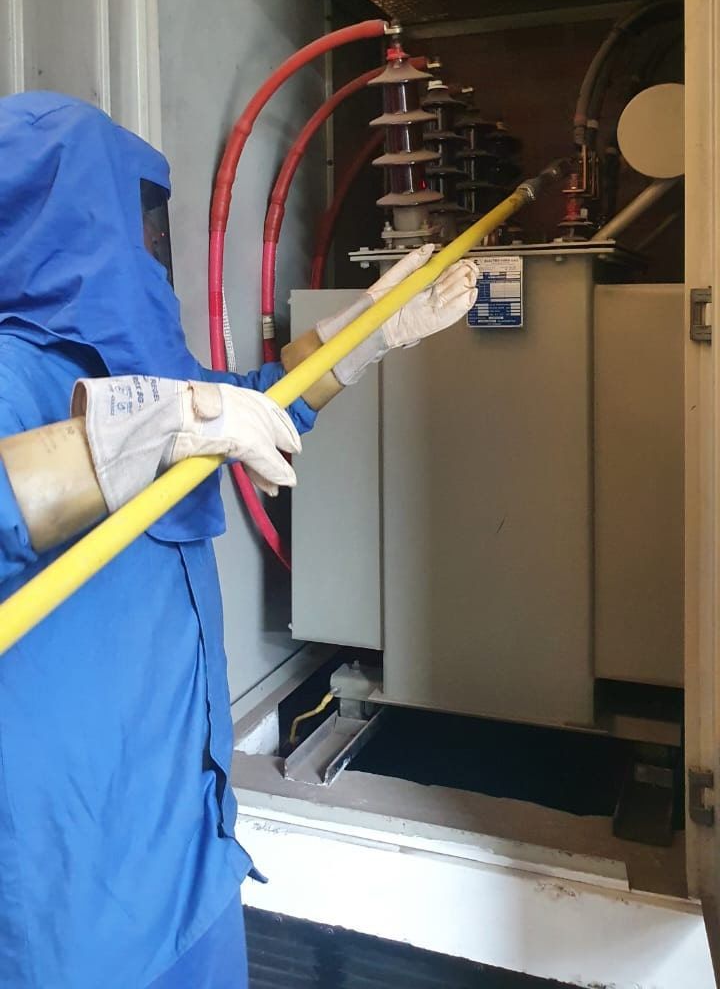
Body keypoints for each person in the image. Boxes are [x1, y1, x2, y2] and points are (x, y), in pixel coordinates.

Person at [0, 92, 479, 989]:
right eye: (129, 215)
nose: (150, 248)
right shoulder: (15, 371)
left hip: (186, 854)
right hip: (73, 913)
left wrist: (374, 328)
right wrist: (152, 428)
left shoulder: (137, 369)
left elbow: (250, 403)